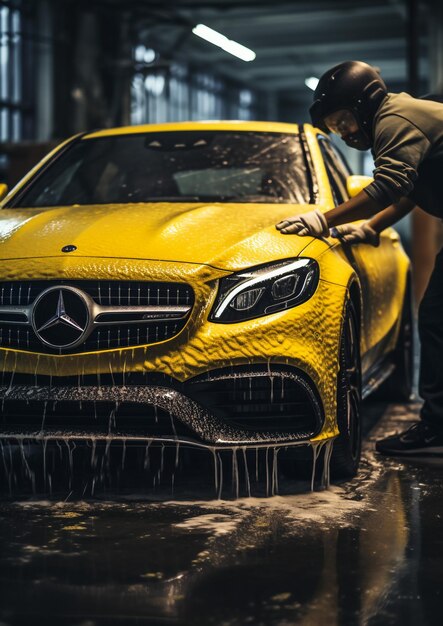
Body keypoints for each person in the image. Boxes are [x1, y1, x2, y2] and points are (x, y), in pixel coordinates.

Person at [275, 60, 443, 457]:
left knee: (436, 318)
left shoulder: (394, 120)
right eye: (336, 127)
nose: (345, 132)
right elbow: (410, 187)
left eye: (344, 120)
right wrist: (371, 227)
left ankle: (437, 429)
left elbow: (387, 186)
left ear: (364, 104)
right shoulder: (403, 113)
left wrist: (323, 219)